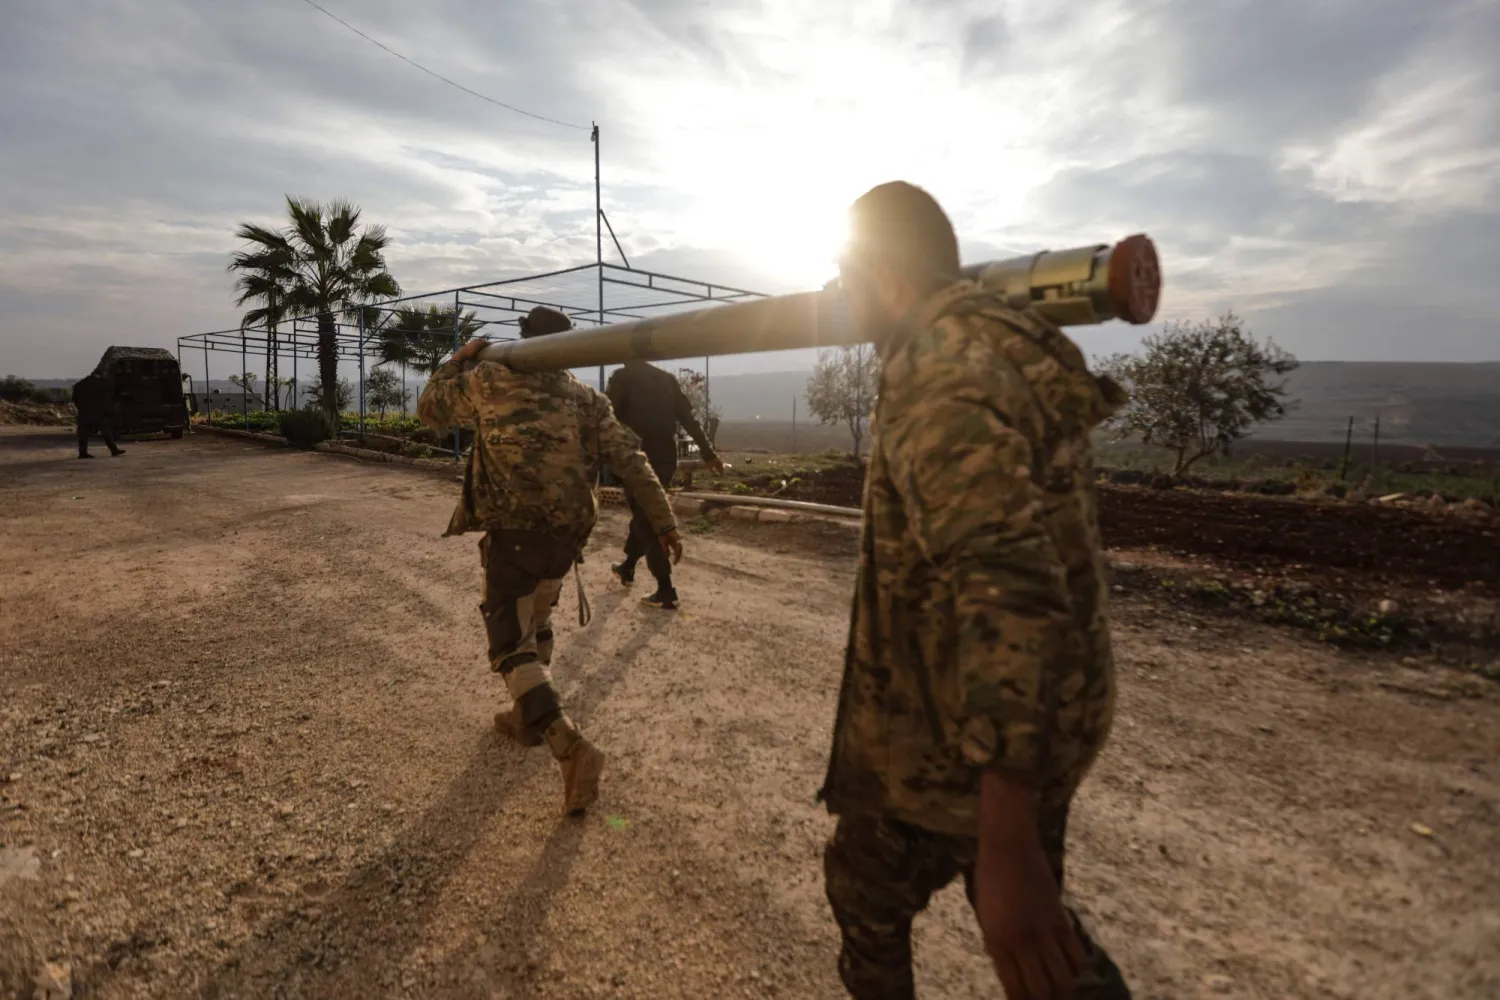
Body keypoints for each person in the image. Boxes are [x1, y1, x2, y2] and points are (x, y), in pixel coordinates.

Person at [817, 182, 1133, 1000]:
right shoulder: (986, 344)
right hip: (1023, 719)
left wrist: (1006, 833)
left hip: (964, 734)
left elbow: (1009, 586)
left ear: (885, 277)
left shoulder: (941, 370)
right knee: (1028, 936)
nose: (839, 298)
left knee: (899, 897)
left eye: (846, 278)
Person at [417, 306, 684, 816]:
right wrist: (664, 520)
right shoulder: (588, 399)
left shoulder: (490, 378)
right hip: (567, 534)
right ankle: (525, 717)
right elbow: (632, 459)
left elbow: (430, 409)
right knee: (537, 619)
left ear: (523, 339)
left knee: (508, 644)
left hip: (517, 530)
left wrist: (457, 361)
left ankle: (571, 747)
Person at [605, 361, 725, 609]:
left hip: (635, 457)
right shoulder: (666, 379)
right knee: (646, 512)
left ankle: (665, 588)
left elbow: (606, 417)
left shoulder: (622, 378)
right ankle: (628, 567)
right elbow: (688, 418)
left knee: (646, 519)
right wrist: (708, 452)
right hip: (666, 457)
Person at [71, 372, 124, 459]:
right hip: (98, 412)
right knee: (106, 432)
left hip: (84, 412)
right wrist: (108, 409)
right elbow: (108, 397)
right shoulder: (102, 383)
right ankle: (114, 450)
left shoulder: (79, 385)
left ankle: (82, 453)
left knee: (83, 435)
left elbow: (75, 399)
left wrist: (81, 408)